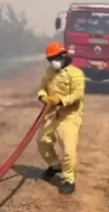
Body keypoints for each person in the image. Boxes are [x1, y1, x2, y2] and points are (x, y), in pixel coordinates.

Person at [36, 41, 85, 195]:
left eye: (54, 59)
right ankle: (55, 165)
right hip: (52, 113)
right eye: (50, 60)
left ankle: (69, 179)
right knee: (42, 140)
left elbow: (78, 94)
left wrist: (61, 101)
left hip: (69, 115)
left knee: (68, 149)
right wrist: (43, 97)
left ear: (63, 56)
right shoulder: (49, 72)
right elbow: (42, 88)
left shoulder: (75, 73)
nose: (53, 62)